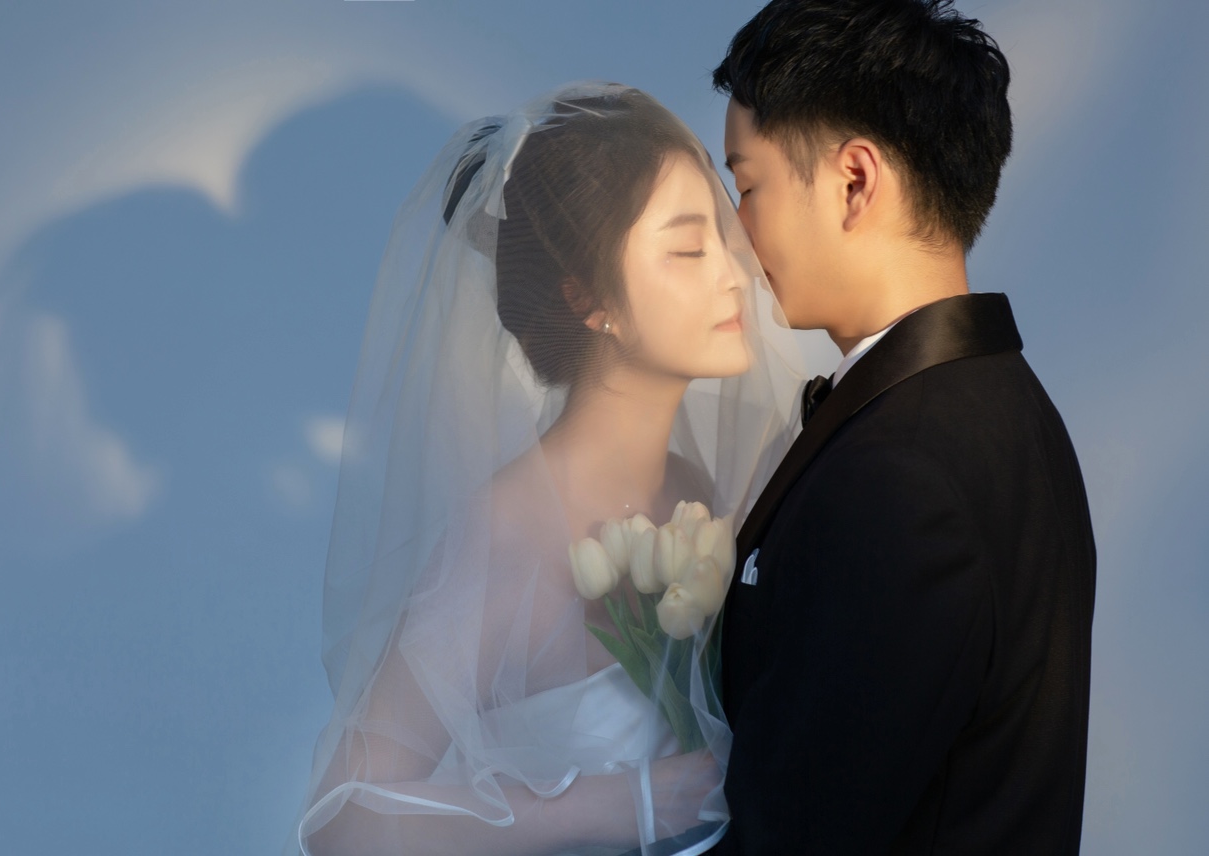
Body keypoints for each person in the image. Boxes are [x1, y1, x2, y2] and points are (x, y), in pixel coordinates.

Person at [291, 83, 806, 856]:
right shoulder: (508, 533)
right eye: (689, 250)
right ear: (590, 298)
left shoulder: (692, 491)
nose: (734, 276)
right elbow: (341, 819)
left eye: (724, 239)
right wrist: (628, 804)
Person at [708, 1, 1097, 853]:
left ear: (854, 181)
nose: (736, 232)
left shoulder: (901, 476)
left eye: (748, 187)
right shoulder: (1008, 406)